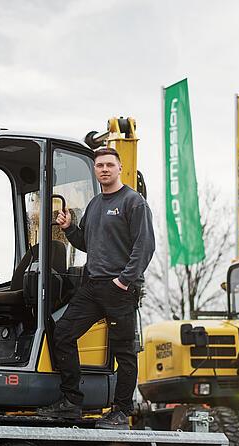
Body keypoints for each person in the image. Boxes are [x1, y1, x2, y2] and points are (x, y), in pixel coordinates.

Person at [37, 147, 155, 429]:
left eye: (109, 165)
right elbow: (89, 244)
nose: (104, 169)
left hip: (120, 289)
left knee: (123, 352)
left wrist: (124, 280)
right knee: (63, 332)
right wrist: (69, 229)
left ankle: (121, 411)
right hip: (92, 287)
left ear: (119, 168)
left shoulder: (133, 202)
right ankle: (71, 401)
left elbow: (145, 247)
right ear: (95, 169)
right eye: (99, 165)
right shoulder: (95, 205)